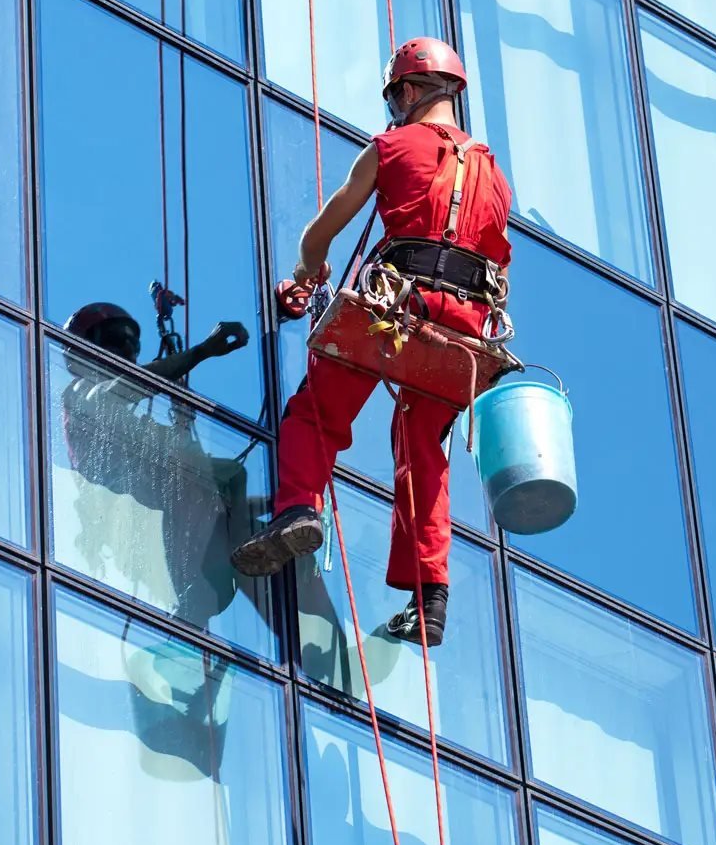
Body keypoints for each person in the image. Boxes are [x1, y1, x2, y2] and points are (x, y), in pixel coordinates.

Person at [231, 37, 513, 646]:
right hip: (461, 332)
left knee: (317, 412)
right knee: (423, 450)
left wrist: (310, 273)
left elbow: (321, 232)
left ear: (410, 92)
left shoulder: (390, 147)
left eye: (398, 97)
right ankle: (429, 598)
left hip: (396, 309)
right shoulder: (495, 176)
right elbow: (495, 263)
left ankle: (298, 509)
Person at [60, 303, 263, 628]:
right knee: (213, 481)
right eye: (115, 341)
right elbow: (128, 387)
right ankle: (218, 574)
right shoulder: (82, 393)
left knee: (231, 479)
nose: (126, 352)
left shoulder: (118, 415)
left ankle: (234, 561)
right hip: (122, 485)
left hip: (148, 480)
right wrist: (201, 351)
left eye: (131, 346)